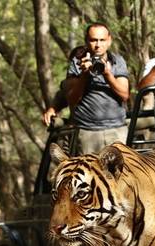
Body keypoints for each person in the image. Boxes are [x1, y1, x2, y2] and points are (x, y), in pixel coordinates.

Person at [42, 22, 130, 154]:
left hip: (117, 130)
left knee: (120, 174)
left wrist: (107, 74)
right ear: (87, 41)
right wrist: (84, 75)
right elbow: (71, 98)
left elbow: (124, 95)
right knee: (88, 174)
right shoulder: (76, 63)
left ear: (109, 41)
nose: (98, 45)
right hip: (87, 132)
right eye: (94, 40)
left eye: (102, 40)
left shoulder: (118, 61)